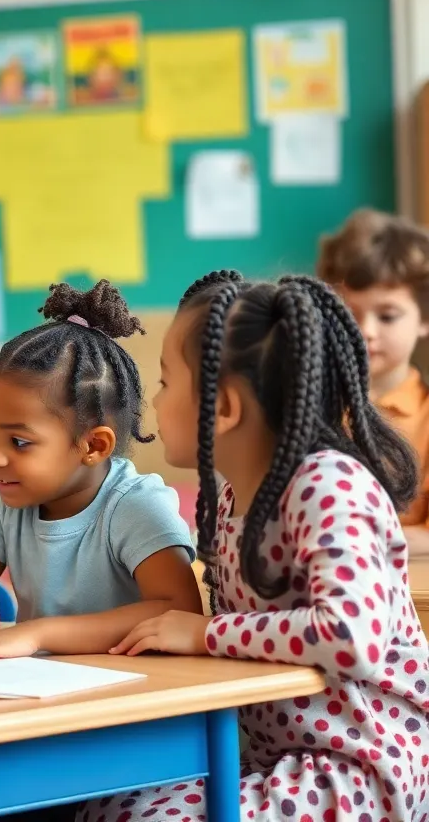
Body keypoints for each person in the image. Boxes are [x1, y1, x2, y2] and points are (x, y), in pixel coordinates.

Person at [85, 271, 429, 821]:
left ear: (223, 409)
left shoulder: (327, 484)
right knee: (98, 801)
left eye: (168, 382)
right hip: (278, 756)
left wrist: (206, 633)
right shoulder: (229, 499)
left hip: (361, 766)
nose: (155, 397)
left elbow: (350, 636)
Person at [0, 280, 202, 661]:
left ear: (93, 446)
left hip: (137, 697)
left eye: (18, 442)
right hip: (48, 696)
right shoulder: (6, 504)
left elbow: (177, 611)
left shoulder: (135, 506)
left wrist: (36, 634)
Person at [317, 208, 429, 556]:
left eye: (387, 315)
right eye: (348, 313)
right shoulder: (309, 406)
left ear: (424, 319)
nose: (365, 330)